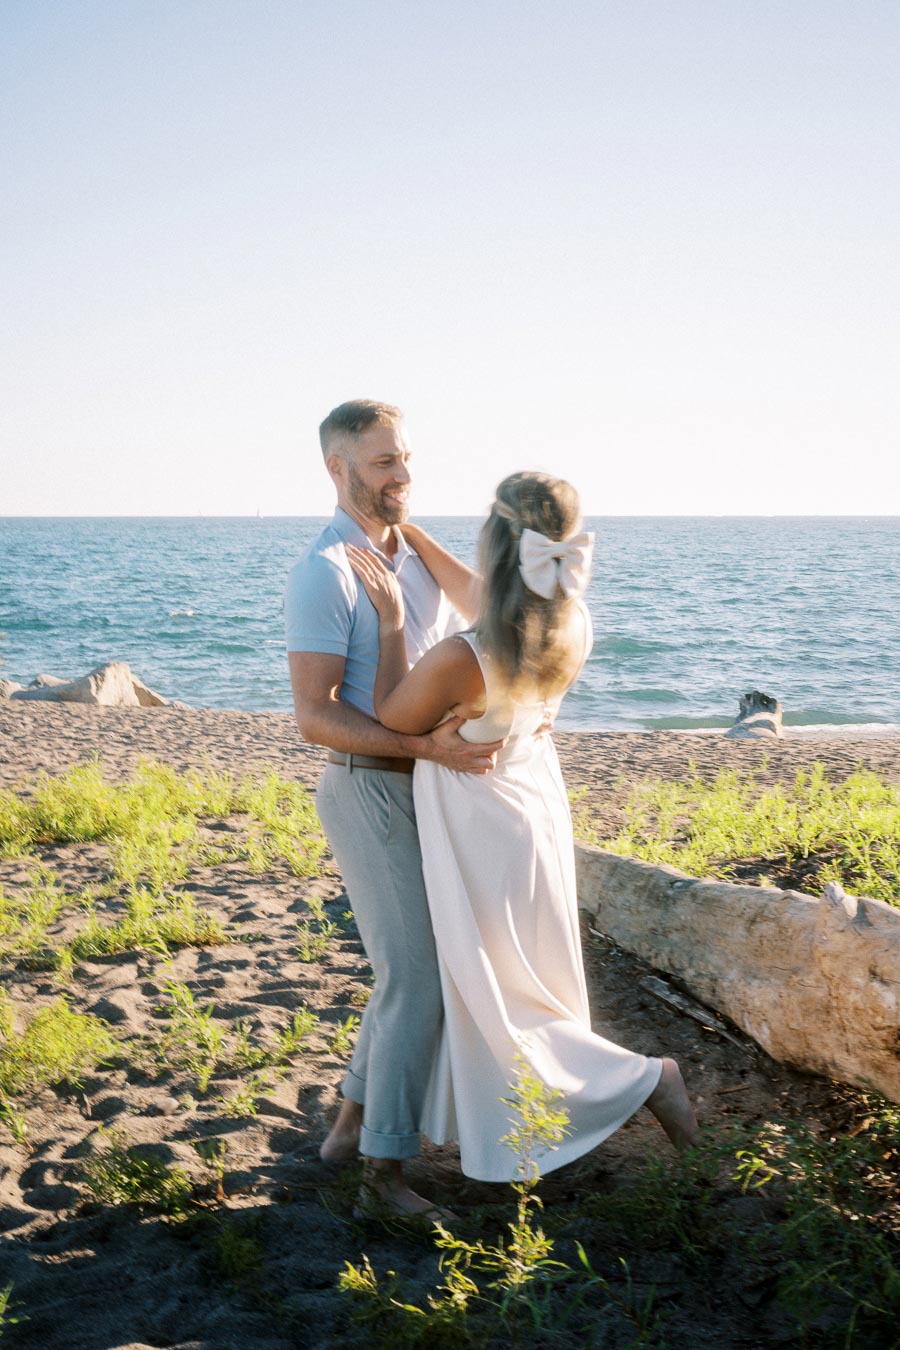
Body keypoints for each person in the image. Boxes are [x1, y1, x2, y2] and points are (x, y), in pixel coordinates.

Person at [347, 470, 699, 1182]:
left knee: (496, 992)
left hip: (479, 825)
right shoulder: (568, 620)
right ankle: (610, 1128)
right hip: (532, 802)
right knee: (529, 977)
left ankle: (647, 1078)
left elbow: (388, 716)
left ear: (496, 544)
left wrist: (388, 622)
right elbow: (488, 596)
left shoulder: (460, 658)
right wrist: (412, 537)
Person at [285, 399, 504, 1216]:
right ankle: (383, 1177)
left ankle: (345, 1134)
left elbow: (495, 615)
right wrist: (421, 749)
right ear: (337, 470)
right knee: (417, 978)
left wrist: (411, 533)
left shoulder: (407, 554)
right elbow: (314, 714)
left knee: (409, 975)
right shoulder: (325, 572)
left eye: (406, 458)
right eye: (382, 464)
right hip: (368, 787)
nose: (403, 475)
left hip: (432, 790)